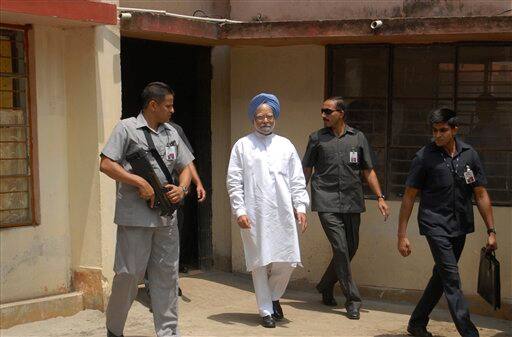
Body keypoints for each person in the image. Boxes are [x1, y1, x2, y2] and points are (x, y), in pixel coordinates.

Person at [100, 82, 194, 337]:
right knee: (128, 277)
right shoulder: (126, 129)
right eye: (168, 105)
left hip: (166, 220)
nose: (172, 110)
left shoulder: (172, 133)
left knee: (167, 278)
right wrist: (138, 181)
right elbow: (107, 164)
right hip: (135, 219)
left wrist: (182, 189)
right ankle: (114, 329)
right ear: (153, 105)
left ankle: (168, 332)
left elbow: (185, 167)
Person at [397, 107, 498, 337]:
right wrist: (401, 234)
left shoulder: (470, 154)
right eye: (434, 131)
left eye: (443, 130)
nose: (438, 135)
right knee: (452, 278)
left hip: (460, 225)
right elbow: (409, 197)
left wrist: (491, 230)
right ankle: (469, 332)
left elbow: (480, 194)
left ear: (455, 129)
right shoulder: (424, 157)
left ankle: (417, 322)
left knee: (441, 276)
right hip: (434, 224)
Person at [226, 93, 309, 328]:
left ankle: (273, 298)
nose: (265, 120)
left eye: (269, 116)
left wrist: (300, 207)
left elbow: (297, 179)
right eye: (260, 116)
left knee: (288, 260)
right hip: (254, 213)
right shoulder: (242, 145)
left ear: (275, 117)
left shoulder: (286, 145)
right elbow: (234, 181)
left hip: (282, 213)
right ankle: (266, 311)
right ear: (253, 119)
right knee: (259, 263)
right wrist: (239, 210)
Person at [302, 96, 389, 320]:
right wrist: (298, 197)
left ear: (341, 113)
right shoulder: (316, 139)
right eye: (322, 111)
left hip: (352, 201)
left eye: (328, 111)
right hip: (326, 200)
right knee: (340, 248)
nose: (323, 115)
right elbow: (307, 170)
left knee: (350, 248)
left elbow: (368, 170)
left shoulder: (358, 138)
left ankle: (325, 285)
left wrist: (380, 197)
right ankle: (353, 299)